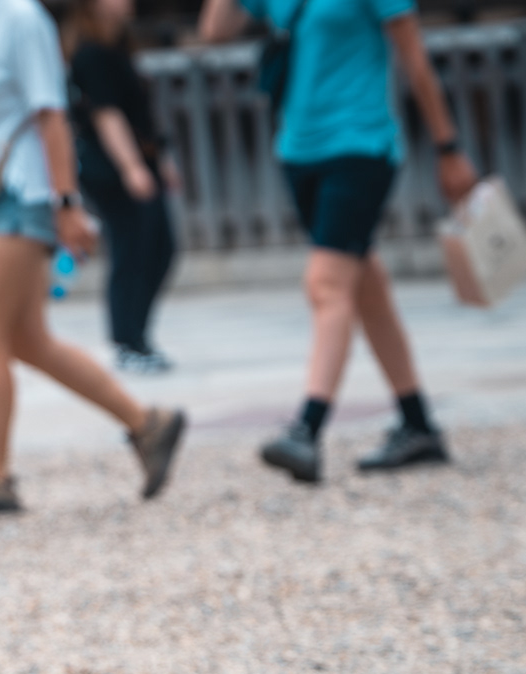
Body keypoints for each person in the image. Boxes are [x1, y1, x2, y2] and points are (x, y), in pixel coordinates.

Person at [0, 0, 186, 520]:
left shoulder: (22, 19)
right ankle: (148, 424)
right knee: (26, 339)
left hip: (24, 189)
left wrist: (66, 205)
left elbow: (52, 116)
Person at [199, 0, 477, 481]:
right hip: (298, 151)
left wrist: (448, 148)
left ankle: (306, 430)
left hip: (360, 145)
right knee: (364, 285)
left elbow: (414, 58)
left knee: (326, 284)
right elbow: (216, 30)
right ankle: (417, 424)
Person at [66, 0, 176, 373]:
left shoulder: (117, 45)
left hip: (140, 159)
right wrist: (132, 167)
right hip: (110, 167)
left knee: (159, 247)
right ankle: (127, 341)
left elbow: (138, 112)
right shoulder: (90, 53)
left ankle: (137, 337)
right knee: (132, 249)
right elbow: (106, 114)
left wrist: (160, 160)